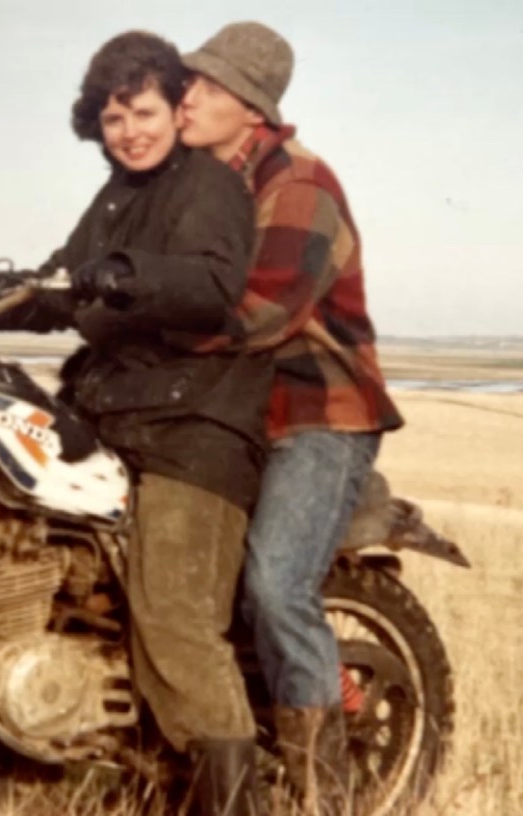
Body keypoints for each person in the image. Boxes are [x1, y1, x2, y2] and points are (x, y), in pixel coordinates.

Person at [0, 30, 271, 815]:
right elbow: (65, 284)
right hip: (125, 418)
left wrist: (125, 273)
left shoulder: (206, 184)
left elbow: (211, 283)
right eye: (113, 119)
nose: (130, 131)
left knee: (173, 619)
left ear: (177, 111)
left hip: (195, 431)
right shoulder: (116, 196)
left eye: (143, 111)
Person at [176, 20, 405, 812]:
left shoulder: (298, 184)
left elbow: (261, 313)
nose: (185, 98)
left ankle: (323, 793)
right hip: (237, 414)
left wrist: (147, 329)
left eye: (202, 86)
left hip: (319, 414)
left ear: (247, 103)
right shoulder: (206, 184)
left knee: (276, 586)